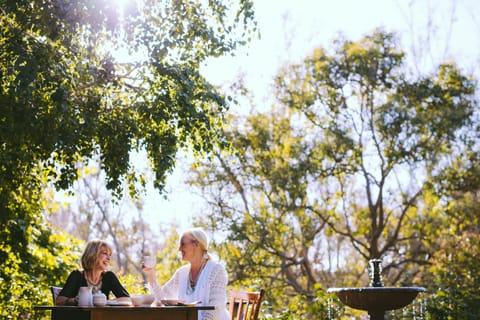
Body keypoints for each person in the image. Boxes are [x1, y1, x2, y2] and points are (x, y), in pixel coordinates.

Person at [143, 228, 230, 320]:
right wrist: (151, 275)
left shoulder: (216, 270)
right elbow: (162, 298)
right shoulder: (181, 273)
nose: (179, 249)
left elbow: (216, 308)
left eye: (183, 244)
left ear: (196, 244)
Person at [56, 239, 131, 305]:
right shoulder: (77, 275)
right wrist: (73, 301)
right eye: (105, 253)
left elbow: (127, 299)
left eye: (109, 255)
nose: (109, 258)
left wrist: (106, 302)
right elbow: (59, 301)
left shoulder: (109, 277)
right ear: (92, 254)